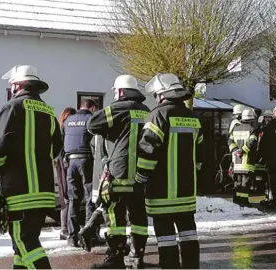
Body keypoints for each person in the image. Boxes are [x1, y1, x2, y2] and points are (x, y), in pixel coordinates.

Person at [0, 65, 63, 268]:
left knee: (25, 241)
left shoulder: (12, 107)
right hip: (44, 192)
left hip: (19, 192)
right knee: (21, 245)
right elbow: (57, 147)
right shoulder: (49, 112)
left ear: (17, 85)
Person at [136, 73, 203, 269]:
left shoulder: (157, 115)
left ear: (162, 95)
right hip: (186, 192)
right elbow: (200, 157)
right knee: (189, 233)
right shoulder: (193, 117)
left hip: (161, 192)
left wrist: (140, 178)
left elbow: (148, 151)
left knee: (165, 237)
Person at [86, 74, 150, 269]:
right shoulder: (146, 110)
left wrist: (108, 131)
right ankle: (137, 256)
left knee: (115, 216)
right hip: (140, 176)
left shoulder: (119, 108)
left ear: (121, 91)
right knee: (139, 217)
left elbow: (92, 125)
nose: (114, 94)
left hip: (119, 175)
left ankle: (115, 258)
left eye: (115, 91)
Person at [63, 99, 97, 246]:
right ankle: (88, 235)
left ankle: (72, 237)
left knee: (73, 199)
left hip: (70, 162)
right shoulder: (91, 119)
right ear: (93, 108)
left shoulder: (68, 120)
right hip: (86, 161)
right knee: (90, 198)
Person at [228, 108, 259, 207]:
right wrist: (243, 150)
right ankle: (244, 202)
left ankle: (237, 200)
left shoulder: (235, 128)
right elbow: (252, 143)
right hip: (247, 162)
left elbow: (229, 141)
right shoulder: (252, 129)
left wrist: (235, 150)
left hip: (236, 162)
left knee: (237, 182)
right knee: (245, 183)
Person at [56, 107, 76, 240]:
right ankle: (64, 229)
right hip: (64, 164)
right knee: (66, 198)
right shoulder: (64, 130)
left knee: (66, 197)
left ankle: (65, 229)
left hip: (61, 164)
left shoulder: (60, 129)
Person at [254, 110, 273, 197]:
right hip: (260, 155)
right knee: (262, 177)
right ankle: (264, 192)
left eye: (269, 117)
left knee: (269, 177)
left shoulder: (273, 128)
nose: (267, 119)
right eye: (266, 117)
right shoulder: (261, 129)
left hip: (269, 155)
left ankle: (269, 194)